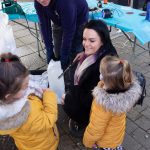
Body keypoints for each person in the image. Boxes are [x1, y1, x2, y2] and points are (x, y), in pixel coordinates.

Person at [62, 20, 118, 137]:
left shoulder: (104, 68)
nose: (86, 44)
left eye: (92, 40)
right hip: (87, 97)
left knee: (63, 100)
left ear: (102, 41)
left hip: (94, 109)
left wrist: (68, 98)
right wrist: (85, 53)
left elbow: (89, 99)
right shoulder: (103, 51)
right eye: (84, 39)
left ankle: (84, 123)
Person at [0, 53, 59, 150]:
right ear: (9, 96)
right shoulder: (28, 113)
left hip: (26, 145)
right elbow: (49, 119)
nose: (29, 86)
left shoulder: (5, 109)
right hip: (44, 145)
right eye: (25, 86)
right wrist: (49, 95)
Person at [83, 56, 142, 150]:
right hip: (116, 136)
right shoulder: (125, 94)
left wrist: (87, 141)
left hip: (105, 142)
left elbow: (96, 128)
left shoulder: (103, 105)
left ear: (104, 79)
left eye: (101, 73)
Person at [34, 0, 89, 70]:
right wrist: (49, 49)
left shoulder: (65, 2)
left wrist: (64, 54)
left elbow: (69, 31)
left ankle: (75, 75)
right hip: (59, 18)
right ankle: (60, 75)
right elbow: (44, 26)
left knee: (74, 56)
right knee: (58, 53)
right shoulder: (38, 3)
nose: (41, 0)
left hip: (78, 19)